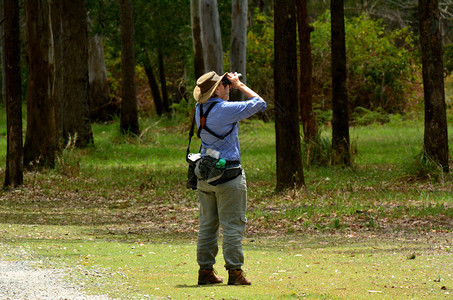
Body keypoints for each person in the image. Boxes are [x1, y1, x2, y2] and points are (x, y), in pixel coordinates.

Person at [193, 71, 267, 285]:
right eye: (225, 84)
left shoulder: (200, 108)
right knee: (233, 225)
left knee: (207, 225)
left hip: (205, 174)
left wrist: (228, 85)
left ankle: (205, 272)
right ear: (217, 89)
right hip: (229, 176)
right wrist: (240, 84)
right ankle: (235, 273)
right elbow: (260, 103)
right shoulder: (225, 110)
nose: (228, 87)